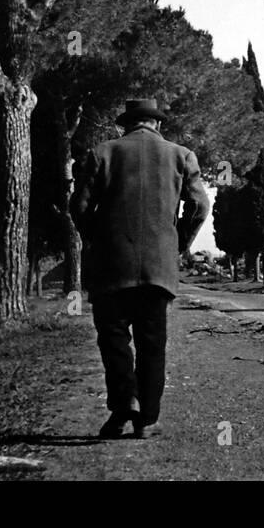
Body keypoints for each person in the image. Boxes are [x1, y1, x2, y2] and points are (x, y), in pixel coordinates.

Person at [70, 98, 211, 439]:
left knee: (114, 338)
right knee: (152, 342)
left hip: (111, 264)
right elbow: (200, 206)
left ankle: (123, 405)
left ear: (126, 125)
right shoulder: (182, 155)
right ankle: (146, 419)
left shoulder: (102, 152)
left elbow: (79, 206)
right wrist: (178, 243)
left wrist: (96, 238)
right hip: (158, 267)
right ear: (157, 124)